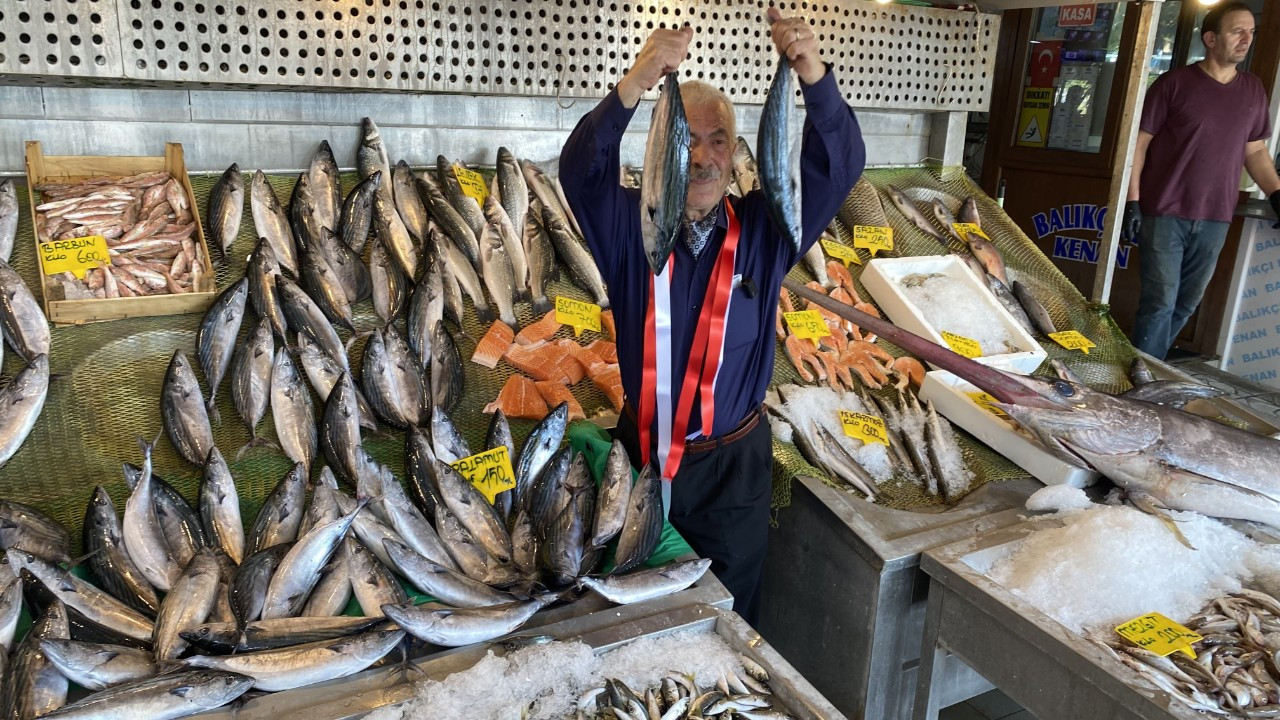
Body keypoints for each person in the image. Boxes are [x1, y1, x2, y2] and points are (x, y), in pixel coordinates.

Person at [558, 8, 864, 625]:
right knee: (638, 609)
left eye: (716, 140)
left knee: (728, 618)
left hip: (732, 471)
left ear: (735, 154)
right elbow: (580, 171)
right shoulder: (628, 224)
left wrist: (811, 73)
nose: (701, 157)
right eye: (686, 139)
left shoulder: (767, 229)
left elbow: (837, 168)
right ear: (659, 144)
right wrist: (637, 81)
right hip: (640, 458)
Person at [1122, 1, 1280, 359]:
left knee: (1186, 303)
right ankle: (1141, 386)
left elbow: (1254, 152)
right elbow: (1138, 144)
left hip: (1215, 216)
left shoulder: (1253, 90)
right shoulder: (1174, 84)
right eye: (1237, 31)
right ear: (1211, 38)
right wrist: (1133, 201)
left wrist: (1276, 192)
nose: (1246, 39)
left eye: (1251, 32)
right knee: (1159, 302)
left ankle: (1146, 367)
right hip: (1164, 211)